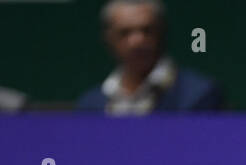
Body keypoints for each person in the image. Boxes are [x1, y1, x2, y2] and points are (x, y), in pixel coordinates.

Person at [78, 0, 223, 114]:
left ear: (162, 32)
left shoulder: (199, 95)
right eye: (125, 33)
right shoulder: (92, 104)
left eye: (147, 30)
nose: (137, 41)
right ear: (109, 39)